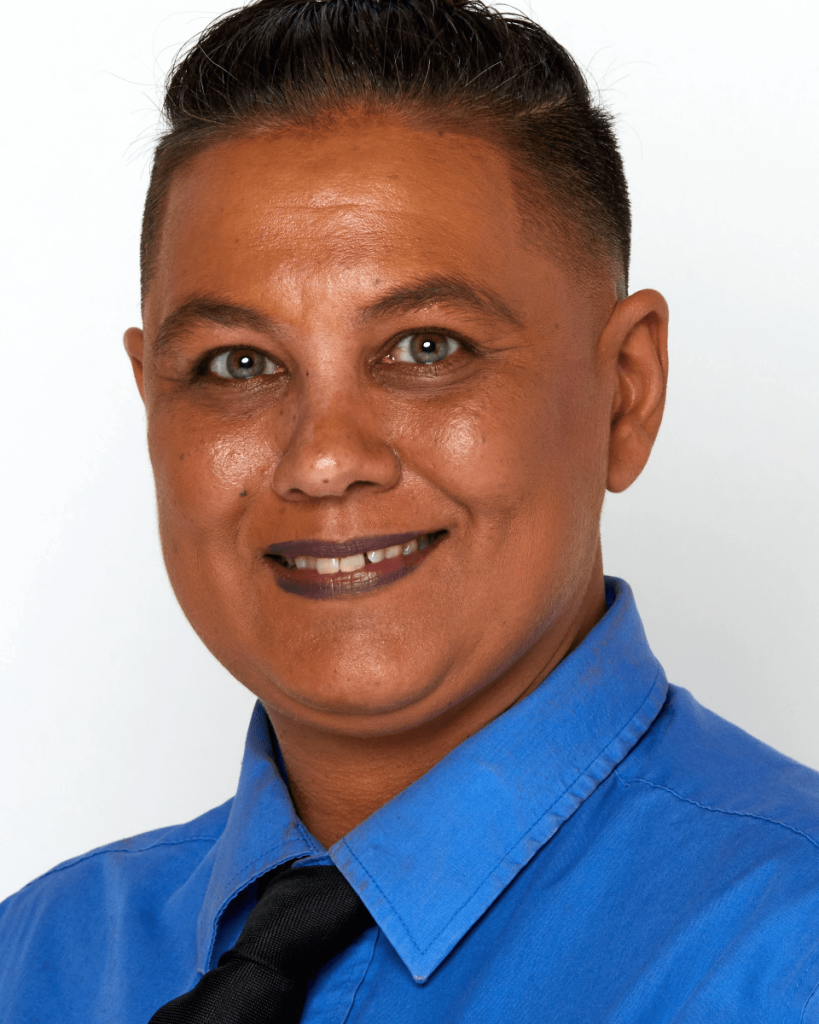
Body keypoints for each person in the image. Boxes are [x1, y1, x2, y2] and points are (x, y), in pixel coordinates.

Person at [0, 0, 817, 1020]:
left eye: (427, 348)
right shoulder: (38, 961)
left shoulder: (791, 952)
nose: (322, 459)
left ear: (624, 393)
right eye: (238, 364)